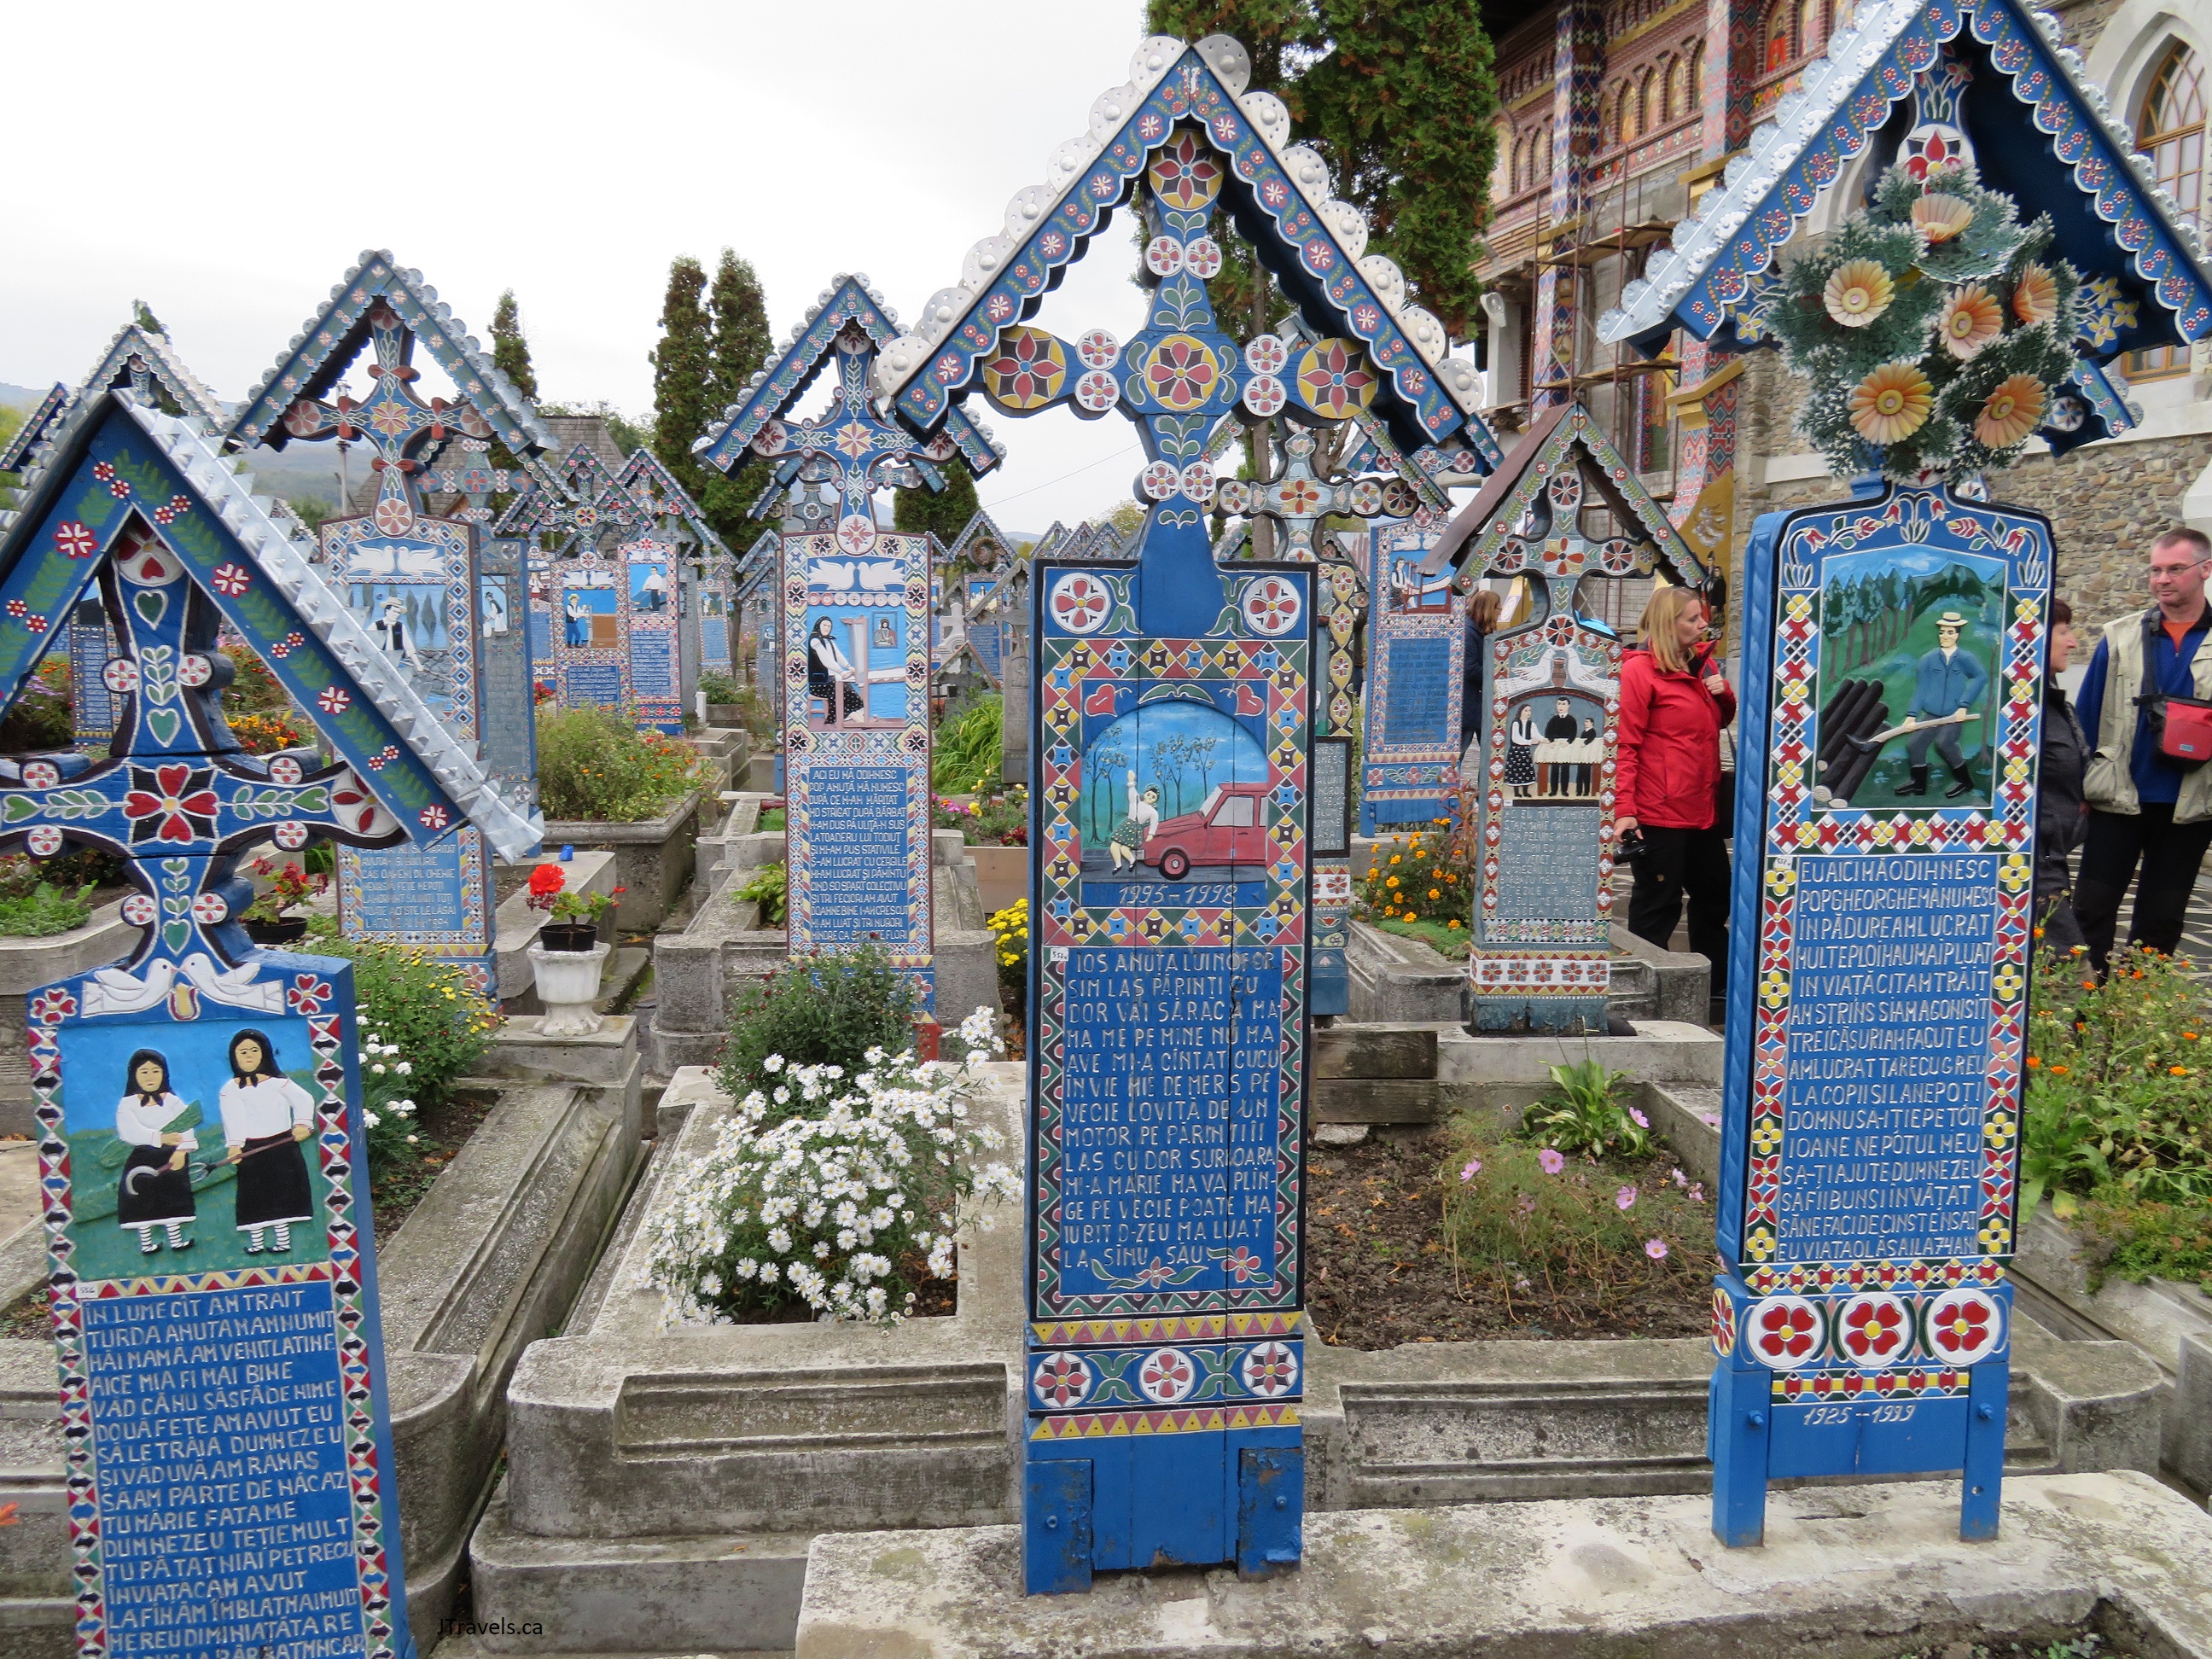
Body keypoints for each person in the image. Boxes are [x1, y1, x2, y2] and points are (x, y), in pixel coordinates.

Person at [2075, 526, 2212, 970]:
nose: (2162, 579)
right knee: (2091, 910)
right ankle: (2083, 1007)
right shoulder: (2119, 636)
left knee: (2161, 923)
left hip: (2191, 805)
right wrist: (2078, 788)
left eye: (2175, 569)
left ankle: (2137, 1009)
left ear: (2206, 570)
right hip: (2118, 797)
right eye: (2155, 570)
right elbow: (2087, 716)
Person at [1615, 585, 1737, 983]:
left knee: (1716, 895)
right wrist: (1624, 810)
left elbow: (1715, 722)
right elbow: (1625, 745)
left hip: (1702, 808)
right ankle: (1645, 982)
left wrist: (1724, 696)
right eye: (1693, 618)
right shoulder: (1639, 672)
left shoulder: (1703, 665)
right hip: (1659, 811)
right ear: (1670, 624)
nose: (1703, 625)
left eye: (1702, 616)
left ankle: (1714, 983)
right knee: (1658, 903)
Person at [218, 1028, 315, 1256]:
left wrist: (302, 1124)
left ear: (264, 1053)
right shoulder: (229, 1090)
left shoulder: (279, 1083)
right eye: (242, 1052)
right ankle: (256, 1243)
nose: (248, 1056)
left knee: (282, 1195)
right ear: (234, 1056)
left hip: (282, 1147)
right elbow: (232, 1118)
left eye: (254, 1050)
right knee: (254, 1197)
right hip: (251, 1150)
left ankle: (283, 1242)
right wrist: (235, 1145)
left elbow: (304, 1100)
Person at [2035, 598, 2089, 956]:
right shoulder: (2025, 710)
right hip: (2034, 865)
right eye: (2063, 632)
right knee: (2069, 965)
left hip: (2053, 857)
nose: (2072, 642)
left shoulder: (2053, 703)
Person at [1895, 609, 1988, 798]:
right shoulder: (1928, 660)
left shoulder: (1965, 658)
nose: (1945, 636)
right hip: (1931, 713)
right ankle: (1918, 783)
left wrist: (1964, 705)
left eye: (1950, 632)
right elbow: (1921, 688)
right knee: (1915, 744)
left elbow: (1981, 677)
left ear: (1957, 635)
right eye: (1942, 632)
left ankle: (1965, 781)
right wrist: (1911, 715)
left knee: (1945, 743)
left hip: (1953, 714)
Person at [114, 1049, 194, 1256]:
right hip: (142, 1159)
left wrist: (182, 1152)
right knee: (141, 1200)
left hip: (172, 1158)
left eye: (155, 1071)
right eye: (144, 1072)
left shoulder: (173, 1101)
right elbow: (129, 1131)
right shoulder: (127, 1104)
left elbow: (187, 1124)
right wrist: (160, 1138)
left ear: (164, 1074)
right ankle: (147, 1244)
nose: (150, 1077)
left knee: (172, 1199)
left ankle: (176, 1241)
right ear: (134, 1075)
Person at [1459, 589, 1503, 760]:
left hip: (1476, 703)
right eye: (1498, 609)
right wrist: (1498, 673)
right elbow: (1469, 669)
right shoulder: (1470, 632)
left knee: (1490, 754)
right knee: (1459, 753)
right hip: (1470, 703)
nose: (1500, 614)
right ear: (1489, 609)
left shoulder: (1479, 630)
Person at [807, 616, 859, 726]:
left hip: (831, 678)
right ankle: (854, 719)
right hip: (819, 683)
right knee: (839, 689)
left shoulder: (829, 640)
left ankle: (857, 717)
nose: (827, 628)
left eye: (829, 626)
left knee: (847, 688)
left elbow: (838, 655)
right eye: (824, 625)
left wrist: (849, 667)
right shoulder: (815, 640)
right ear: (818, 626)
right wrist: (841, 671)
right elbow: (826, 659)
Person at [1109, 770, 1162, 870]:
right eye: (1149, 794)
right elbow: (1132, 793)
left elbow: (1154, 823)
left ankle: (1132, 860)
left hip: (1135, 829)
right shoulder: (1137, 801)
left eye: (1153, 797)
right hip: (1127, 825)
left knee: (1124, 848)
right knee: (1114, 846)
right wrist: (1131, 781)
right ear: (1145, 793)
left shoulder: (1153, 812)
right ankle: (1118, 865)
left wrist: (1151, 834)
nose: (1150, 797)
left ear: (1156, 799)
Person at [1505, 702, 1539, 799]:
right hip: (1516, 751)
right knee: (1516, 771)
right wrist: (1529, 742)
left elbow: (1536, 735)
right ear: (1521, 711)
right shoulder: (1516, 723)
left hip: (1525, 751)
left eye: (1530, 711)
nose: (1528, 712)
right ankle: (1516, 792)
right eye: (1526, 710)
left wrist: (1545, 740)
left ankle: (1525, 792)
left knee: (1526, 771)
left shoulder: (1531, 724)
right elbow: (1516, 738)